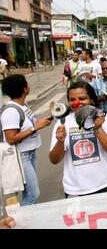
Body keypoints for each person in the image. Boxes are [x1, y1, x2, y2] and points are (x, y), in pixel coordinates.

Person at [49, 81, 107, 198]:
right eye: (72, 100)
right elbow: (54, 160)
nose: (76, 103)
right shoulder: (62, 123)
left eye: (82, 98)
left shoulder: (104, 119)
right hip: (75, 189)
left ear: (91, 99)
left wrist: (98, 129)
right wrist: (60, 142)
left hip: (104, 184)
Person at [1, 75, 53, 206]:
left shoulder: (23, 105)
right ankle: (22, 223)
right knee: (32, 195)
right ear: (25, 89)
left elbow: (30, 125)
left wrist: (41, 123)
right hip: (21, 156)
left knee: (30, 193)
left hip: (29, 154)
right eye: (27, 84)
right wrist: (35, 127)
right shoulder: (11, 111)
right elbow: (11, 138)